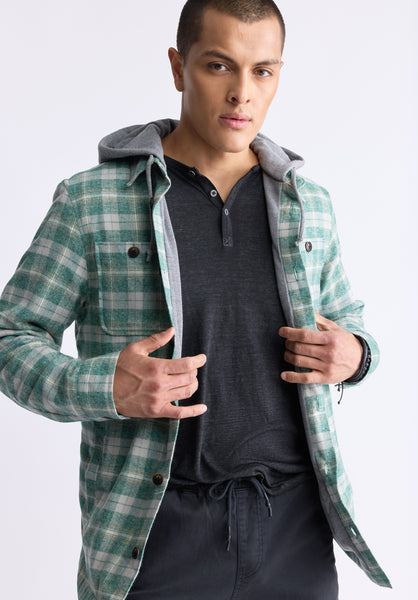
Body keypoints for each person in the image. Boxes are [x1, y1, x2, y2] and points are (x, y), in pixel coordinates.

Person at [0, 0, 390, 598]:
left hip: (295, 527)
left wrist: (356, 356)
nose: (242, 94)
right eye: (219, 65)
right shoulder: (91, 202)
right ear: (178, 67)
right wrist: (106, 387)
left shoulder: (308, 203)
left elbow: (351, 326)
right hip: (154, 534)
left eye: (262, 71)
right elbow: (11, 338)